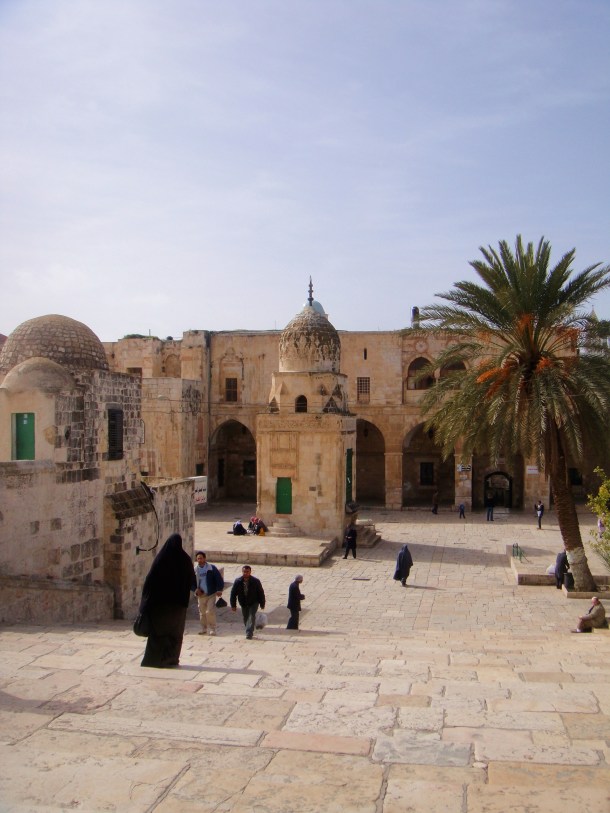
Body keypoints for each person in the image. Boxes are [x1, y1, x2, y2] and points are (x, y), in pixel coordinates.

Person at [139, 533, 196, 668]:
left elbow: (150, 582)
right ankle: (171, 659)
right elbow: (191, 580)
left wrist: (145, 603)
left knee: (158, 633)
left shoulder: (162, 559)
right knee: (174, 634)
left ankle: (153, 661)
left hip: (160, 605)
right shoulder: (185, 560)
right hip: (178, 606)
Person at [230, 565, 266, 639]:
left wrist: (262, 603)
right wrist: (233, 605)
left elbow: (261, 592)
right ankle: (250, 629)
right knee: (246, 617)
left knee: (251, 616)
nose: (245, 573)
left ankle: (249, 633)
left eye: (247, 572)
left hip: (254, 602)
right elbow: (233, 594)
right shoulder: (238, 581)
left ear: (250, 572)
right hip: (243, 602)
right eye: (244, 572)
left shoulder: (255, 581)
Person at [194, 551, 225, 636]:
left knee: (210, 611)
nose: (199, 560)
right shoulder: (195, 570)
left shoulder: (211, 568)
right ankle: (203, 628)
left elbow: (219, 579)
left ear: (204, 558)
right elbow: (191, 582)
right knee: (202, 613)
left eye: (201, 558)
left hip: (211, 594)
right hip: (201, 595)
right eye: (198, 558)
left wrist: (219, 589)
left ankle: (212, 629)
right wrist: (196, 590)